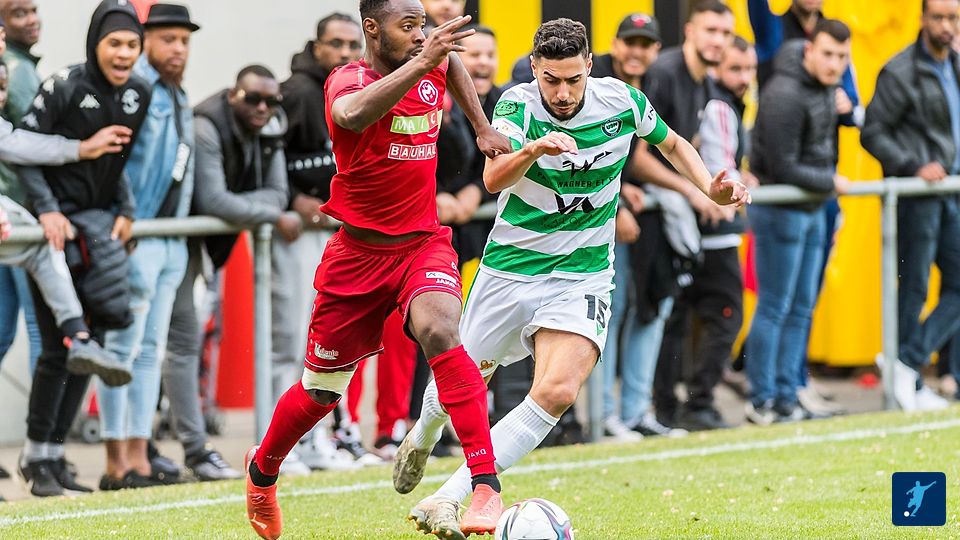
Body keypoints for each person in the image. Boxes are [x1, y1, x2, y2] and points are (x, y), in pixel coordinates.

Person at [395, 17, 749, 539]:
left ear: (589, 65)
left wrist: (707, 188)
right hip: (511, 271)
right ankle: (423, 434)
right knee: (458, 389)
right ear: (534, 68)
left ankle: (448, 496)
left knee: (558, 390)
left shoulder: (622, 101)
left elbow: (672, 144)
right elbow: (493, 178)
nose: (562, 93)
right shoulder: (517, 105)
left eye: (573, 79)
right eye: (551, 80)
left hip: (581, 275)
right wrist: (532, 150)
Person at [244, 0, 513, 536]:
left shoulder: (429, 61)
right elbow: (350, 116)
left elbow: (451, 63)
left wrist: (482, 127)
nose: (419, 36)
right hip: (357, 257)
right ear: (372, 29)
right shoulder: (348, 79)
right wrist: (425, 60)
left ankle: (485, 486)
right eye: (406, 27)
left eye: (422, 26)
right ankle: (262, 471)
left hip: (423, 244)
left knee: (442, 330)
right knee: (321, 392)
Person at [16, 0, 150, 497]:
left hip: (97, 235)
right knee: (59, 347)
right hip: (52, 234)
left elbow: (119, 161)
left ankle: (55, 454)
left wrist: (127, 210)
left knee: (87, 348)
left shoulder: (139, 92)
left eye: (132, 45)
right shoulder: (64, 86)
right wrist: (47, 210)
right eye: (114, 43)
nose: (124, 54)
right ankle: (36, 456)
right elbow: (24, 152)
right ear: (95, 44)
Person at [165, 64, 290, 483]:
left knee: (190, 342)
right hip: (173, 239)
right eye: (253, 99)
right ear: (233, 95)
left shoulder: (270, 124)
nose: (262, 108)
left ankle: (192, 446)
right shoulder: (207, 124)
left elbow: (279, 193)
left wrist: (261, 207)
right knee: (171, 345)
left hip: (204, 248)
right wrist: (269, 212)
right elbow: (213, 200)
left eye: (271, 101)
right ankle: (186, 448)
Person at [96, 3, 200, 491]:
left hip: (169, 237)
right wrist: (126, 222)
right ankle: (115, 460)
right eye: (168, 39)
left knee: (149, 352)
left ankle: (138, 456)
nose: (178, 49)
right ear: (146, 41)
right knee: (122, 348)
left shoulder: (175, 91)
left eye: (184, 40)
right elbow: (117, 164)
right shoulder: (134, 88)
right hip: (137, 235)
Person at [629, 0, 735, 431]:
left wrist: (711, 184)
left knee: (663, 314)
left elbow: (684, 148)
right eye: (711, 30)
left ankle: (653, 413)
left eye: (725, 34)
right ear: (689, 31)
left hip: (665, 214)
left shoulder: (703, 81)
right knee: (643, 314)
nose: (718, 41)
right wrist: (692, 190)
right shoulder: (665, 73)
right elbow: (637, 157)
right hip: (638, 213)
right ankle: (628, 415)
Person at [277, 12, 372, 471]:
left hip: (339, 231)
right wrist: (291, 198)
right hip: (300, 233)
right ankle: (285, 445)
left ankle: (327, 438)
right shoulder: (297, 92)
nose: (345, 53)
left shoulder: (363, 84)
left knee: (333, 340)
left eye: (353, 45)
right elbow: (273, 155)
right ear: (316, 47)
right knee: (294, 338)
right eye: (336, 44)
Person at [746, 19, 852, 425]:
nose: (834, 64)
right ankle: (762, 400)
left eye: (841, 57)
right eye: (827, 54)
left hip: (811, 210)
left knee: (802, 307)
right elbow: (782, 166)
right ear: (809, 50)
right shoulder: (785, 93)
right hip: (781, 210)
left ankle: (788, 396)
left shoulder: (825, 87)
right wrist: (830, 182)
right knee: (775, 305)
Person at [861, 0, 959, 412]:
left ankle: (905, 363)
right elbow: (872, 132)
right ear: (921, 19)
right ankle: (907, 375)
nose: (946, 25)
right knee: (914, 288)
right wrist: (913, 165)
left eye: (953, 17)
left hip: (952, 193)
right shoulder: (900, 70)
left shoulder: (954, 64)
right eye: (938, 17)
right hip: (919, 195)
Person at [590, 13, 664, 441]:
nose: (636, 51)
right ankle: (599, 415)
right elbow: (583, 152)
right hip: (580, 220)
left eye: (645, 44)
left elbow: (643, 149)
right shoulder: (595, 79)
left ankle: (629, 412)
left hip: (629, 215)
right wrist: (617, 200)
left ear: (655, 50)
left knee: (642, 306)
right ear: (615, 45)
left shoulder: (649, 84)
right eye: (630, 42)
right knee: (605, 313)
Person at [0, 0, 44, 375]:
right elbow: (34, 145)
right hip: (19, 213)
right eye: (19, 13)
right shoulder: (18, 70)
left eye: (33, 10)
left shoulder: (17, 66)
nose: (31, 20)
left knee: (1, 331)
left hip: (9, 212)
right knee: (39, 328)